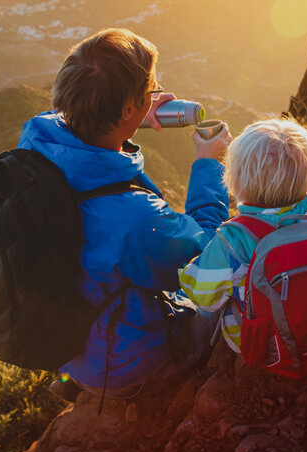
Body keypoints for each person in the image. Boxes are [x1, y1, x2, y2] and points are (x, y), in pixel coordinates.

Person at [16, 28, 232, 401]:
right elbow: (207, 257)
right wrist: (208, 164)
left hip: (71, 348)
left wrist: (130, 116)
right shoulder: (134, 220)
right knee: (235, 284)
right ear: (129, 106)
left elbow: (89, 145)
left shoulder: (35, 146)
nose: (155, 95)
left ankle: (77, 381)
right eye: (149, 90)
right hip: (126, 367)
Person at [177, 119, 307, 354]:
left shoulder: (233, 239)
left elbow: (203, 295)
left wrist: (186, 270)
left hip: (266, 346)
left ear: (236, 183)